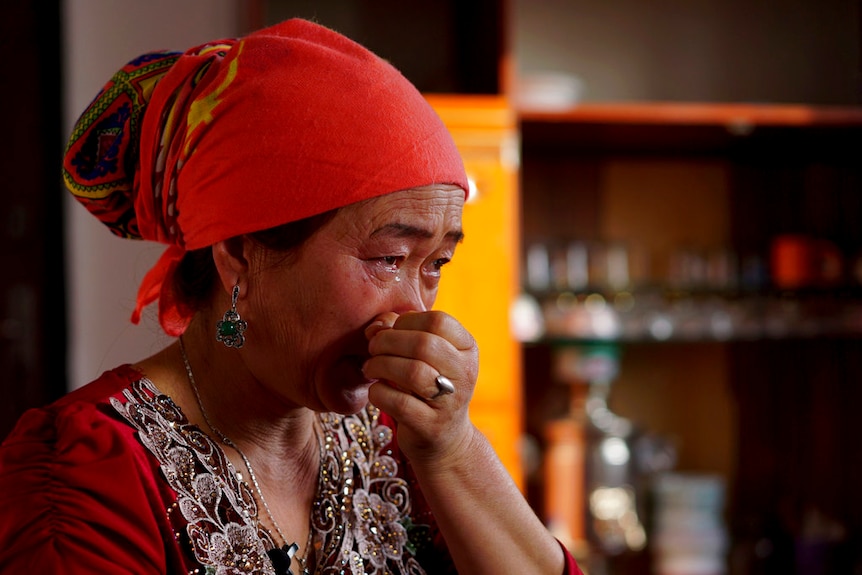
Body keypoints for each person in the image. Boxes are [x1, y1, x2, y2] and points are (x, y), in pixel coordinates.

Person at [0, 19, 582, 575]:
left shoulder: (398, 443)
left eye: (436, 265)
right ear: (239, 257)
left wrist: (456, 452)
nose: (414, 311)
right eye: (387, 259)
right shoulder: (85, 476)